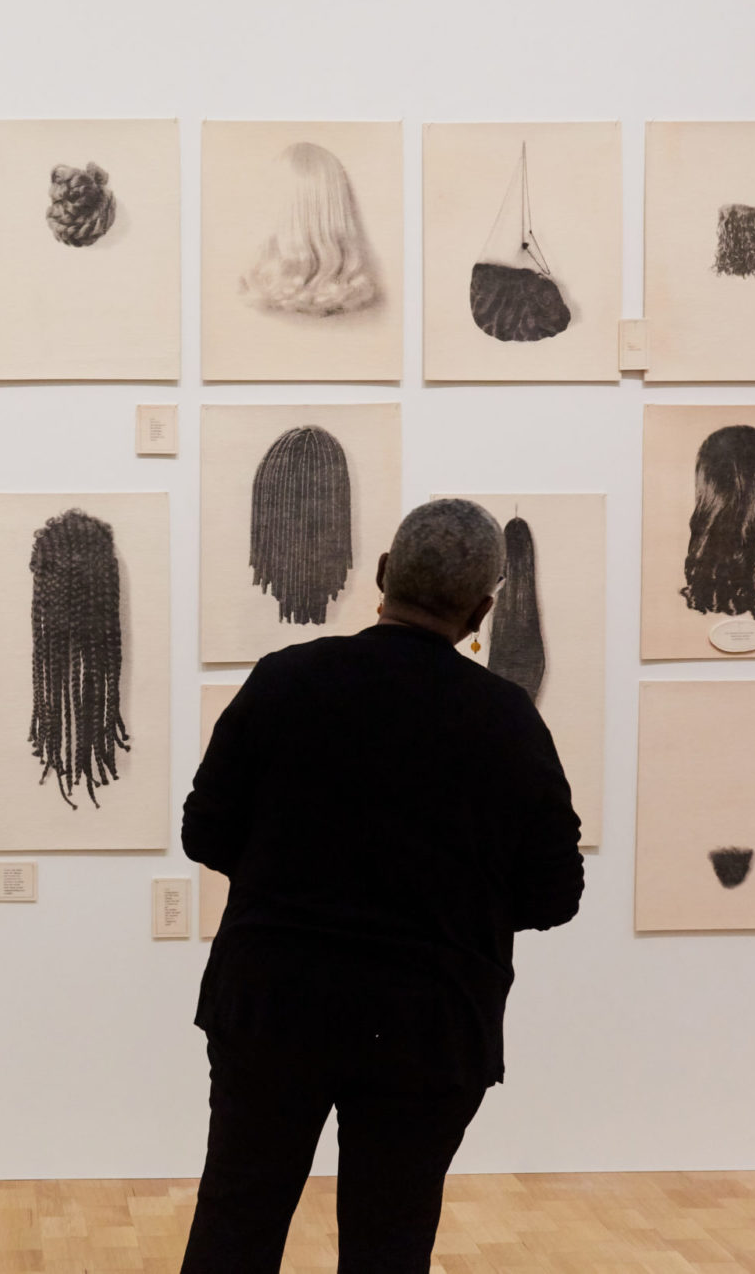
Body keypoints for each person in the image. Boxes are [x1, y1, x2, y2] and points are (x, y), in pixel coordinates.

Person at [179, 499, 584, 1273]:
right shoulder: (507, 721)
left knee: (237, 1219)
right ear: (483, 609)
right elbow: (554, 894)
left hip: (274, 1004)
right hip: (430, 1025)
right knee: (389, 1245)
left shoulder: (287, 682)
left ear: (383, 574)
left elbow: (207, 832)